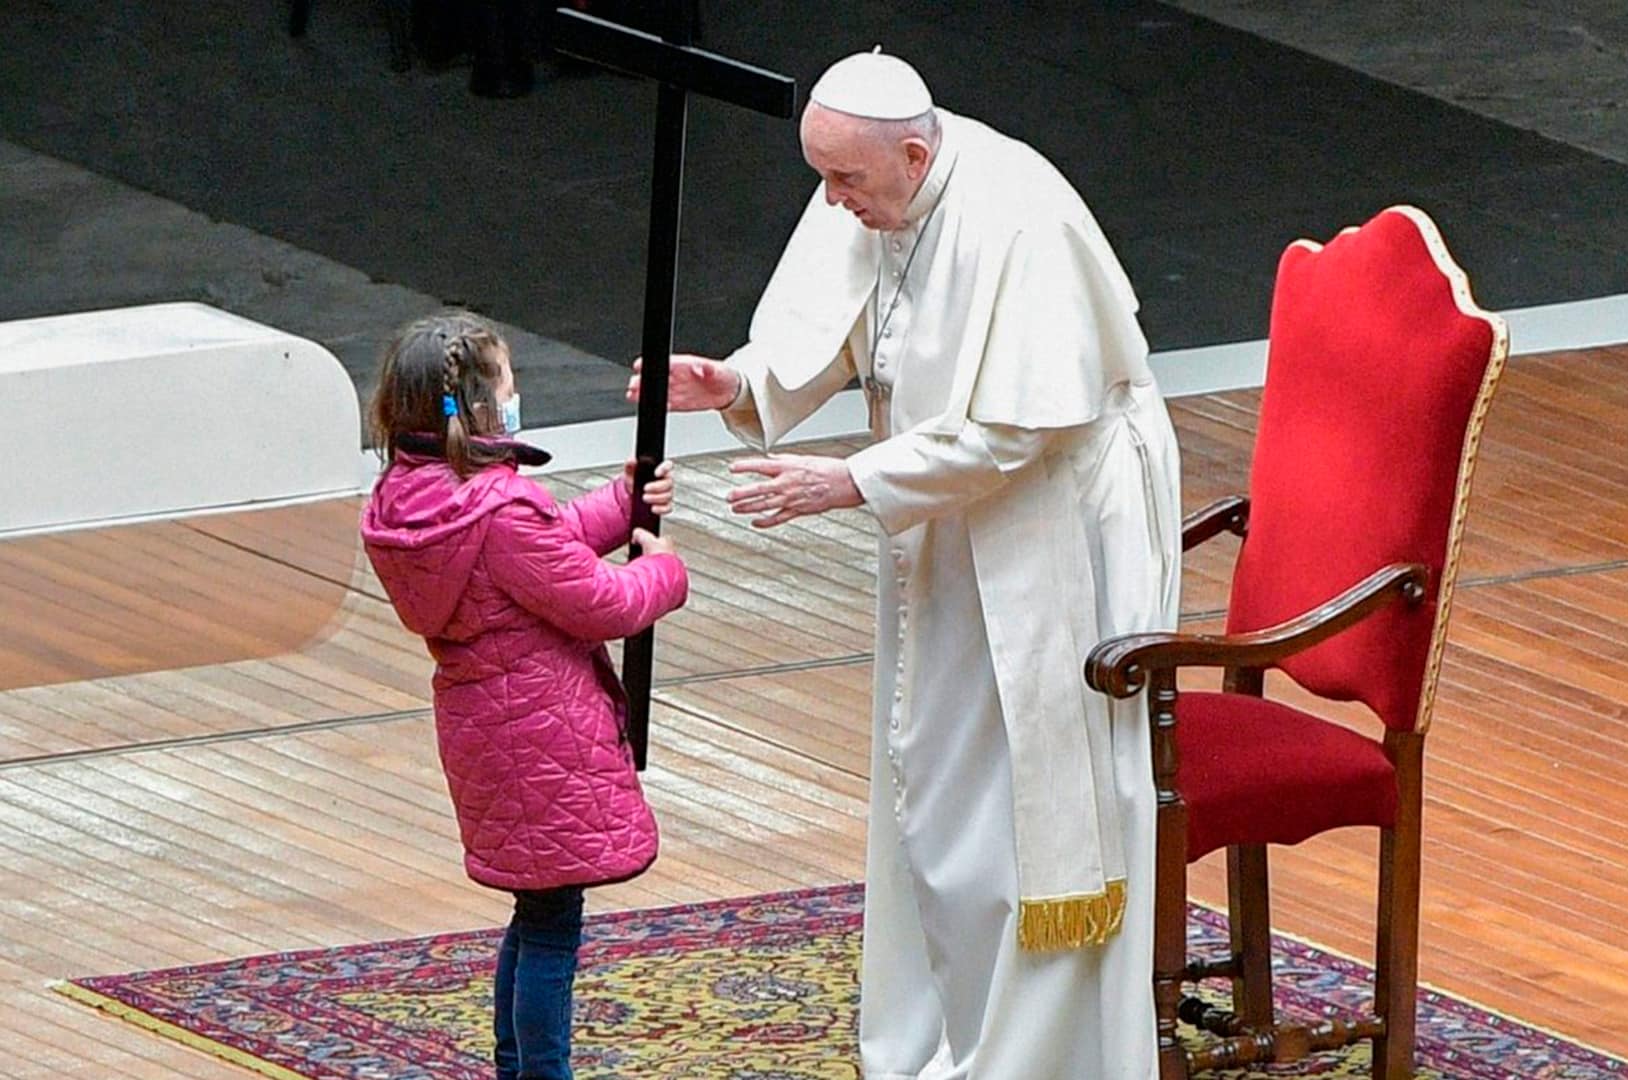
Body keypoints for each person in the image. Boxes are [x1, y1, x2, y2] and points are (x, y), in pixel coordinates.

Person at [631, 51, 1179, 1079]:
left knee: (1025, 786)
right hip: (943, 509)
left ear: (916, 153)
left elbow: (1019, 429)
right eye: (823, 178)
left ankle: (1045, 1057)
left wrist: (850, 483)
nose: (833, 206)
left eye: (848, 182)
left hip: (1051, 520)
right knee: (933, 766)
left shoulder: (1020, 217)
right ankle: (938, 1039)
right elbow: (857, 327)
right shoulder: (879, 188)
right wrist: (738, 382)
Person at [361, 311, 687, 1080]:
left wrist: (625, 500)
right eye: (508, 384)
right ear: (476, 408)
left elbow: (545, 547)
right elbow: (598, 602)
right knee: (551, 928)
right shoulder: (498, 512)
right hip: (544, 735)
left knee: (536, 911)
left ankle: (516, 1067)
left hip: (487, 733)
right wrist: (663, 570)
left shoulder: (415, 502)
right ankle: (540, 1071)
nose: (517, 395)